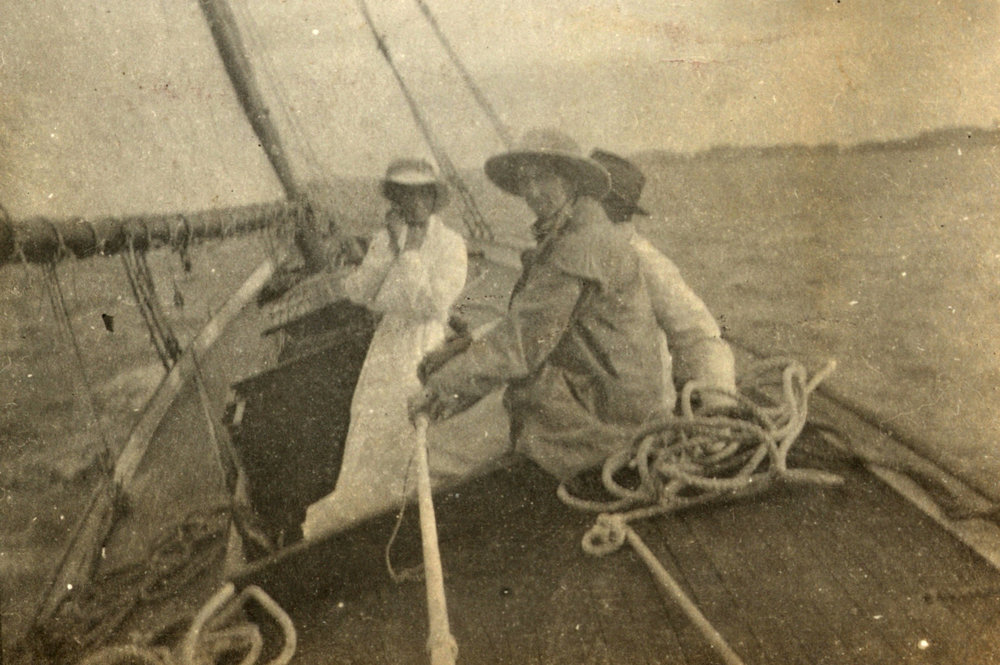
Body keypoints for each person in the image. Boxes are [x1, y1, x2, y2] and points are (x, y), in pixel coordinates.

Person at [410, 128, 666, 482]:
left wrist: (441, 387)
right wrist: (464, 350)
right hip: (620, 397)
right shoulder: (576, 234)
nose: (530, 192)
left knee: (507, 403)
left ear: (572, 180)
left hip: (612, 414)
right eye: (525, 180)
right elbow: (532, 323)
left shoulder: (578, 245)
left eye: (543, 178)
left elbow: (521, 345)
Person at [301, 158, 467, 539]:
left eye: (421, 192)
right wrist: (389, 249)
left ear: (433, 196)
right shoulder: (385, 240)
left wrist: (407, 252)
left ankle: (410, 514)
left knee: (410, 426)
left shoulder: (451, 244)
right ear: (395, 198)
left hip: (426, 343)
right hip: (388, 344)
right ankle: (368, 521)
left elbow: (431, 305)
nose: (414, 202)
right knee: (371, 426)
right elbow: (360, 292)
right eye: (404, 193)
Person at [589, 149, 736, 411]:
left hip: (634, 410)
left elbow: (699, 334)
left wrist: (719, 413)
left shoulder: (643, 260)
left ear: (607, 208)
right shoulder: (577, 253)